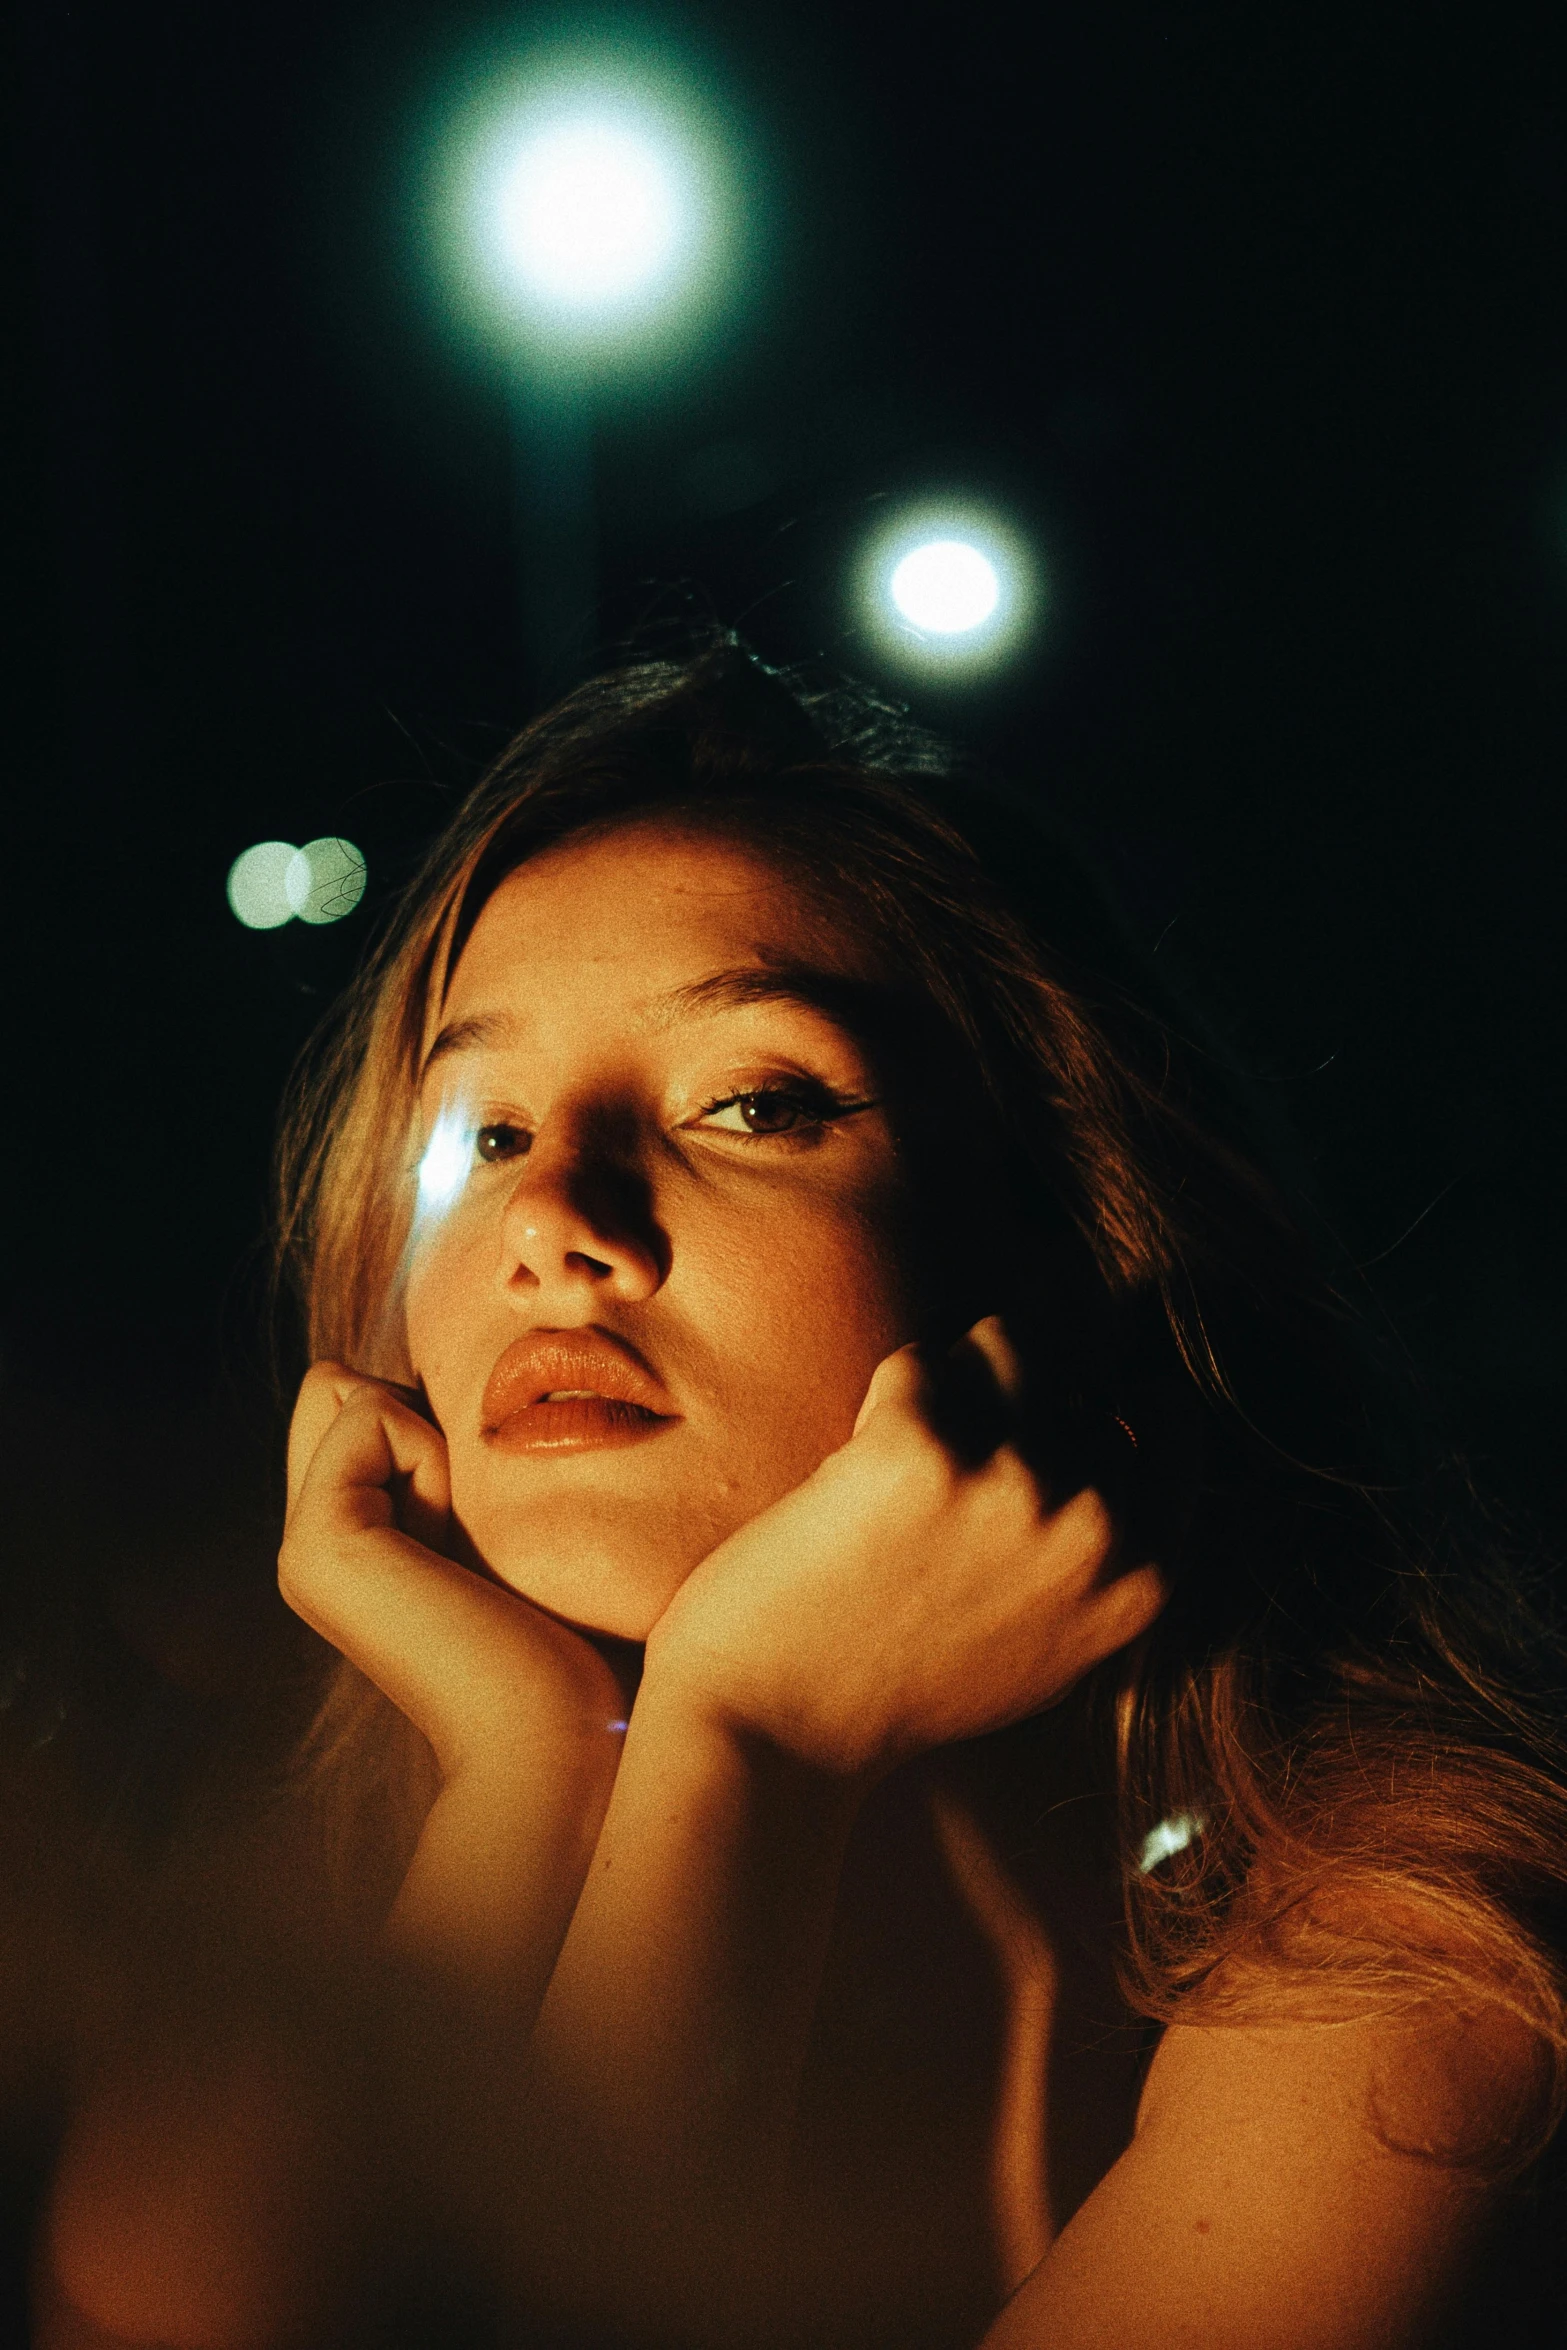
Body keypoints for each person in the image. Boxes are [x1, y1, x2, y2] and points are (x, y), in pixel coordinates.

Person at [33, 640, 1567, 2349]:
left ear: (1063, 1243)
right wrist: (530, 1760)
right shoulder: (270, 1919)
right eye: (481, 1132)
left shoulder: (1433, 1969)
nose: (554, 1221)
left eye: (753, 1102)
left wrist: (752, 1734)